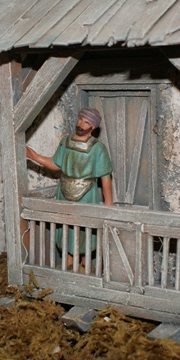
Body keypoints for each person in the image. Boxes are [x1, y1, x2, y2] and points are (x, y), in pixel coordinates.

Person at [26, 107, 113, 266]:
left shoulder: (98, 148)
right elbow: (55, 163)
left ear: (93, 127)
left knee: (85, 228)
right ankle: (69, 262)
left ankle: (86, 264)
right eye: (80, 119)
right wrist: (35, 157)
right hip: (65, 191)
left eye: (86, 122)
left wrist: (109, 204)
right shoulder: (65, 142)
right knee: (65, 227)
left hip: (86, 194)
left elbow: (105, 177)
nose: (81, 124)